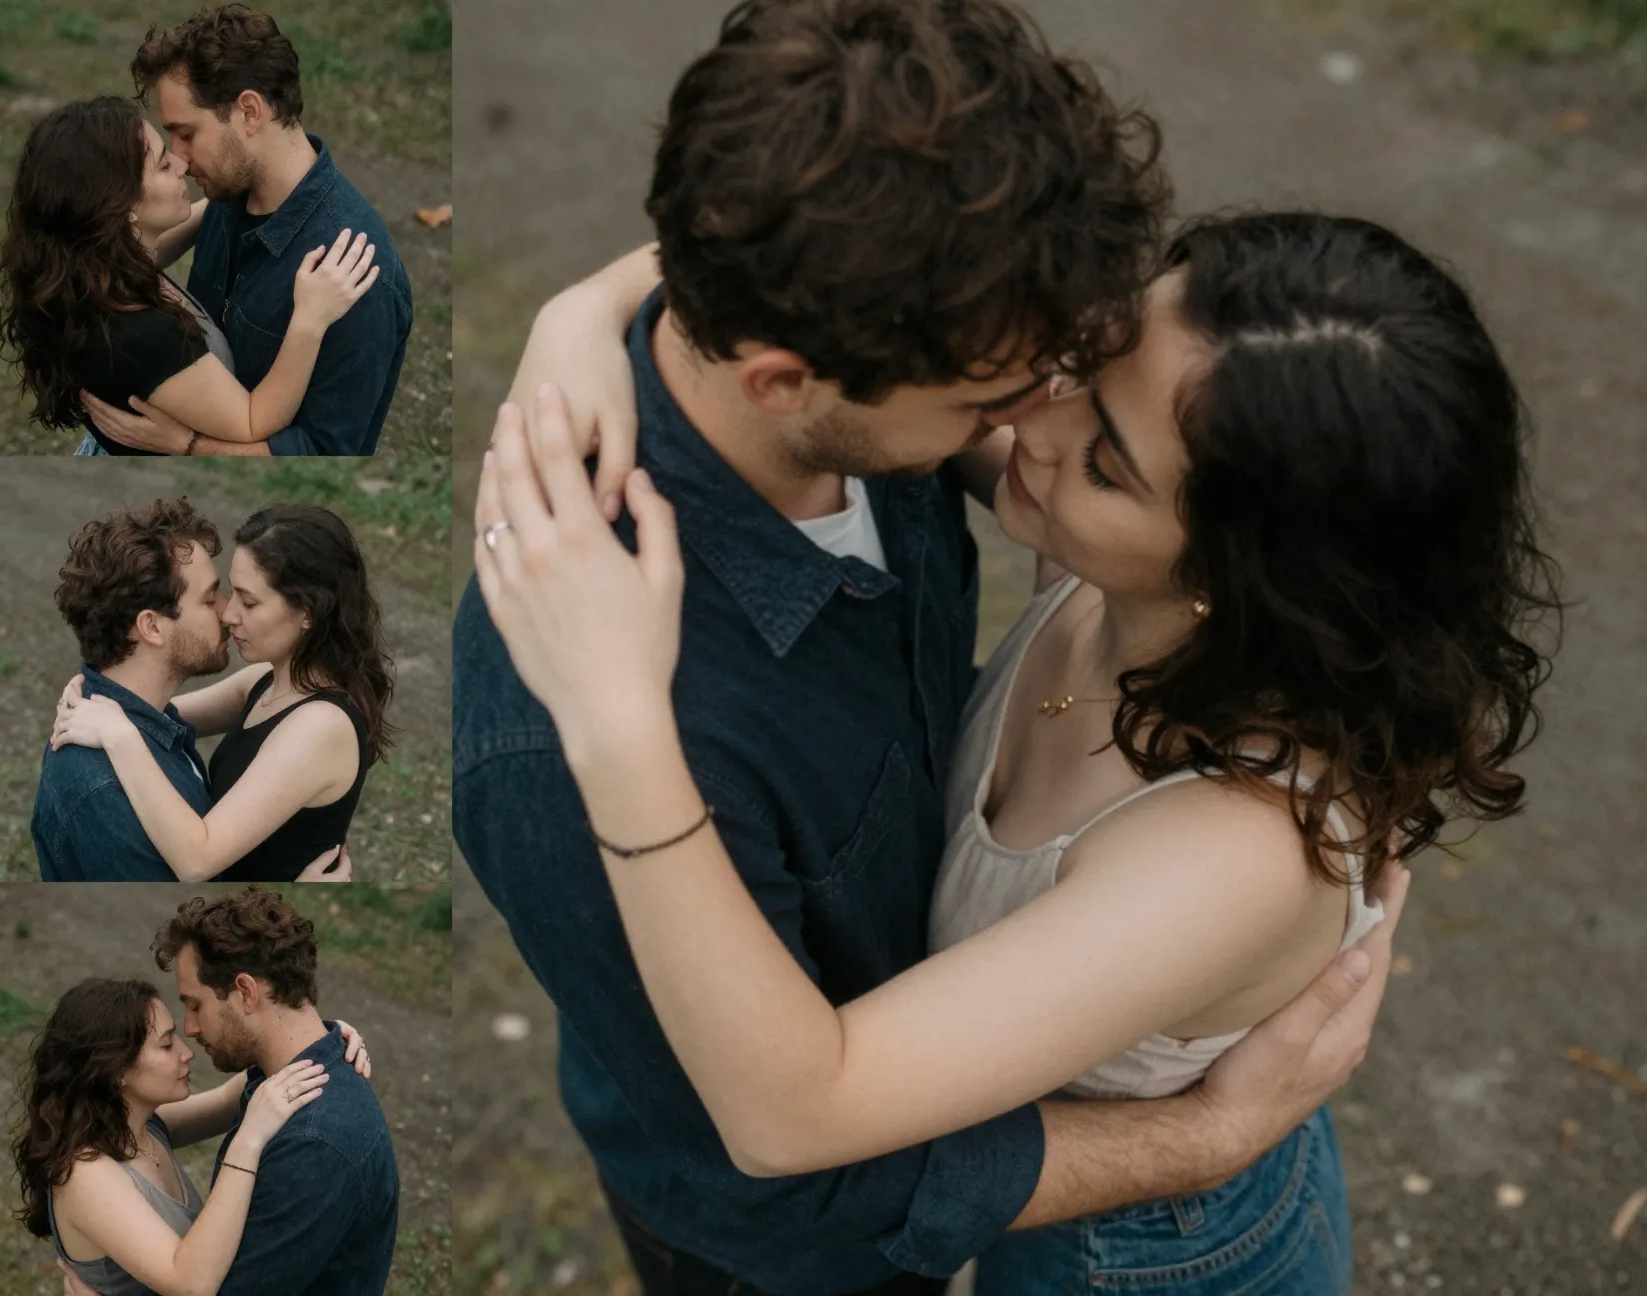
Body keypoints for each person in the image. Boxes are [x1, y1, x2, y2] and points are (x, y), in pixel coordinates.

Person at [453, 4, 1414, 1293]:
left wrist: (592, 298)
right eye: (987, 400)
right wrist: (1211, 1134)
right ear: (788, 378)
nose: (1035, 422)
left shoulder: (885, 353)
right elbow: (796, 1178)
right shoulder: (580, 727)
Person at [80, 5, 414, 456]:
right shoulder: (226, 195)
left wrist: (188, 445)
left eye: (186, 133)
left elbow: (325, 452)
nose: (177, 158)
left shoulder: (353, 270)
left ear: (249, 112)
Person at [0, 95, 380, 456]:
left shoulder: (95, 269)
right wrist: (309, 322)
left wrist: (251, 167)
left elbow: (202, 211)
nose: (181, 163)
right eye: (163, 164)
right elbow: (252, 420)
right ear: (121, 208)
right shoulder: (139, 334)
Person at [48, 502, 393, 882]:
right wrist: (90, 699)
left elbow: (198, 860)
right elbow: (152, 707)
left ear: (307, 611)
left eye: (249, 601)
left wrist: (120, 736)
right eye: (227, 592)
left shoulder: (320, 725)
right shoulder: (267, 679)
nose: (229, 614)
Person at [14, 978, 374, 1296]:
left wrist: (319, 1037)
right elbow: (190, 1284)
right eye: (167, 1045)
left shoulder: (140, 1127)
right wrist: (247, 1141)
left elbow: (229, 1096)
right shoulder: (86, 1174)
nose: (187, 1053)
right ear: (115, 1070)